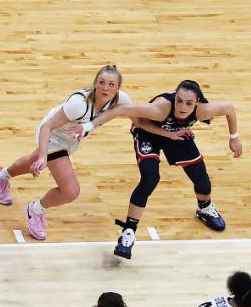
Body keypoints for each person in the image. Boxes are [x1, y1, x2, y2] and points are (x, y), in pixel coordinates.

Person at [87, 79, 242, 260]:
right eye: (179, 100)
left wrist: (234, 138)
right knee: (150, 178)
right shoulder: (160, 109)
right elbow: (121, 110)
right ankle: (128, 232)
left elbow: (230, 108)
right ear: (175, 97)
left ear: (197, 103)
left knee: (201, 177)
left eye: (189, 103)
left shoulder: (203, 111)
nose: (182, 107)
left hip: (175, 134)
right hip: (147, 133)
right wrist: (87, 126)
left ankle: (204, 208)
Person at [0, 65, 131, 241]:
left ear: (118, 88)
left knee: (30, 162)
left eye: (111, 84)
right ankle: (34, 211)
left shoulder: (121, 100)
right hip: (52, 136)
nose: (105, 88)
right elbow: (48, 126)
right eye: (101, 82)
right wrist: (43, 156)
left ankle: (0, 177)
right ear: (95, 83)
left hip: (69, 140)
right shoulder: (79, 105)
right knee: (71, 191)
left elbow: (136, 114)